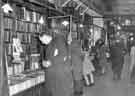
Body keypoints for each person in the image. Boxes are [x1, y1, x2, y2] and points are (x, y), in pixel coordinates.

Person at [39, 28, 73, 96]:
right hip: (52, 78)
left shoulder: (58, 40)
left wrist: (50, 62)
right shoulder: (47, 46)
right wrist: (44, 63)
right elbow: (49, 59)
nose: (42, 42)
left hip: (60, 76)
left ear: (46, 36)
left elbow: (63, 56)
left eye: (41, 40)